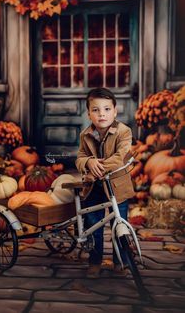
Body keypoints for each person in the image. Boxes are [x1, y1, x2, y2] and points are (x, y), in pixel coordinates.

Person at [75, 87, 135, 278]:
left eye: (107, 109)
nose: (102, 114)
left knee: (120, 225)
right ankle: (95, 261)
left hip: (117, 187)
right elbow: (80, 158)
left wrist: (99, 167)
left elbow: (121, 156)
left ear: (115, 111)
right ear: (89, 113)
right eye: (96, 110)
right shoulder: (85, 135)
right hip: (94, 187)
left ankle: (121, 262)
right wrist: (88, 162)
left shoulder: (124, 132)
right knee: (94, 225)